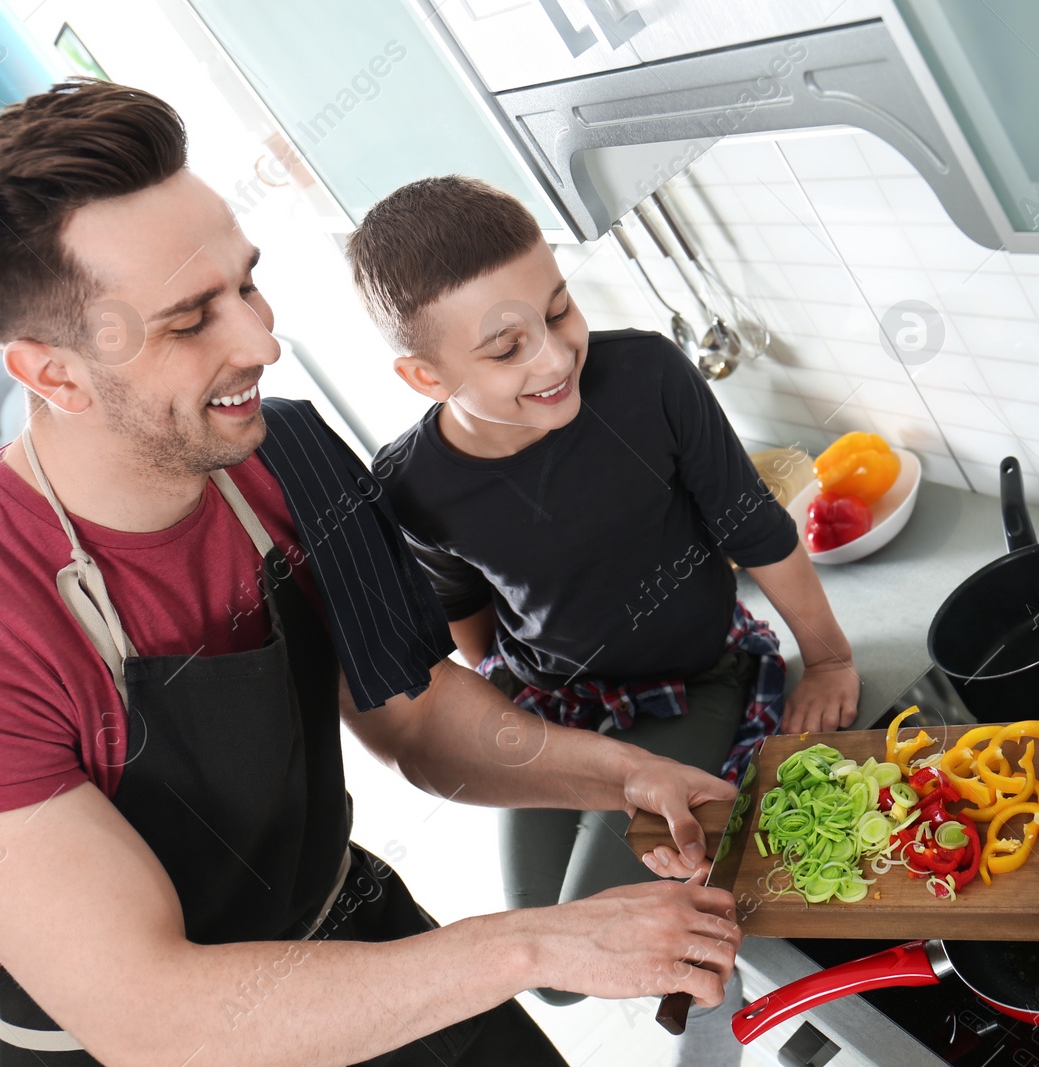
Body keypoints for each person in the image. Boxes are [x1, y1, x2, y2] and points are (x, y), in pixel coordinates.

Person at [0, 80, 741, 1067]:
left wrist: (625, 772)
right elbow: (151, 1012)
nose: (260, 342)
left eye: (246, 285)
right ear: (52, 374)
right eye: (190, 322)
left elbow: (419, 715)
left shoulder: (288, 457)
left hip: (344, 929)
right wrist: (535, 941)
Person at [349, 176, 861, 1063]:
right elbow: (465, 613)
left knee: (619, 919)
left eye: (559, 312)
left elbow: (753, 524)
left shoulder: (648, 377)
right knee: (552, 967)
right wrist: (511, 699)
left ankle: (743, 1007)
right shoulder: (408, 484)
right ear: (425, 376)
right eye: (507, 348)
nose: (553, 358)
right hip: (552, 704)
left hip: (695, 681)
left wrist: (827, 659)